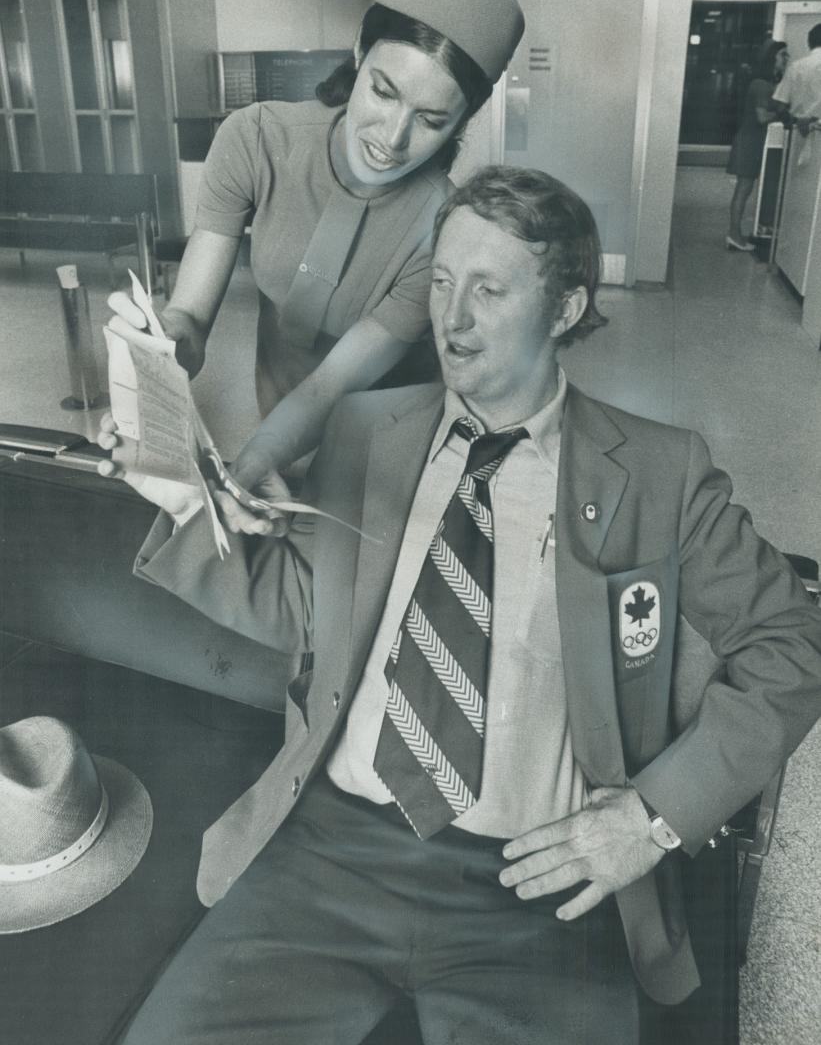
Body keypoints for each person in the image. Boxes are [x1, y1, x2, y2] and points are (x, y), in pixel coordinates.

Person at [99, 165, 821, 1044]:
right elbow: (302, 612)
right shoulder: (369, 432)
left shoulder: (657, 473)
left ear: (564, 309)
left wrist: (650, 818)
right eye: (442, 282)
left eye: (489, 288)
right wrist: (179, 499)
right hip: (332, 850)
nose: (452, 318)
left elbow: (792, 641)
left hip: (534, 882)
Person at [108, 0, 523, 523]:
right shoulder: (256, 140)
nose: (391, 139)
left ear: (461, 122)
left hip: (389, 430)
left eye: (430, 120)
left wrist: (251, 461)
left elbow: (332, 382)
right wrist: (165, 351)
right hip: (277, 403)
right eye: (382, 91)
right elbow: (190, 314)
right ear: (358, 52)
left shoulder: (443, 230)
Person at [726, 39, 788, 252]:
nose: (786, 59)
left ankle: (735, 234)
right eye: (783, 55)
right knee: (744, 188)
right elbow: (762, 117)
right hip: (750, 141)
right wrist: (781, 109)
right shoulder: (761, 84)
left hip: (752, 140)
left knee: (745, 188)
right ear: (772, 58)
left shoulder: (764, 83)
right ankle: (734, 234)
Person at [772, 22, 821, 138]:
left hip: (798, 134)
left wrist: (797, 121)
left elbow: (780, 107)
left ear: (809, 43)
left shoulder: (795, 67)